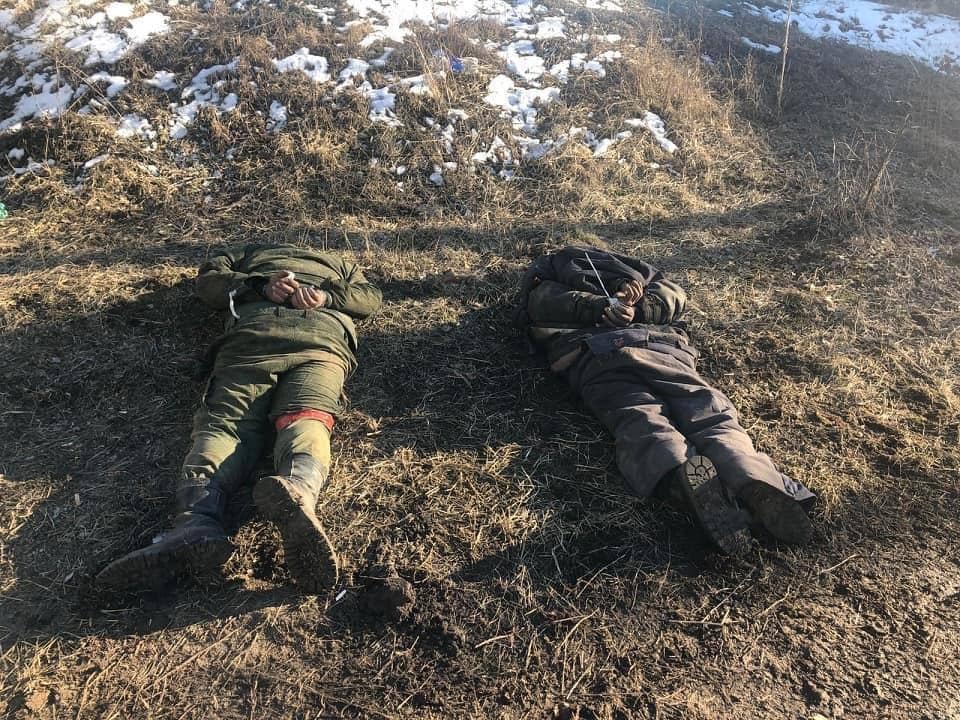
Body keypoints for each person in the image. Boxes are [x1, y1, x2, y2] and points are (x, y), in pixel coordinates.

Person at [96, 244, 382, 592]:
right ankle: (299, 489)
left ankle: (195, 520)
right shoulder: (332, 263)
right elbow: (369, 297)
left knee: (226, 425)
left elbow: (209, 282)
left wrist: (314, 294)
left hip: (264, 342)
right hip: (312, 345)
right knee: (305, 416)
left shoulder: (256, 255)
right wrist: (264, 286)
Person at [514, 244, 814, 555]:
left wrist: (603, 309)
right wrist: (634, 308)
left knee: (641, 419)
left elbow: (542, 303)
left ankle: (681, 480)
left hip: (596, 355)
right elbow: (674, 297)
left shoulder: (548, 271)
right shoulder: (640, 272)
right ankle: (752, 474)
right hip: (663, 349)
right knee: (709, 412)